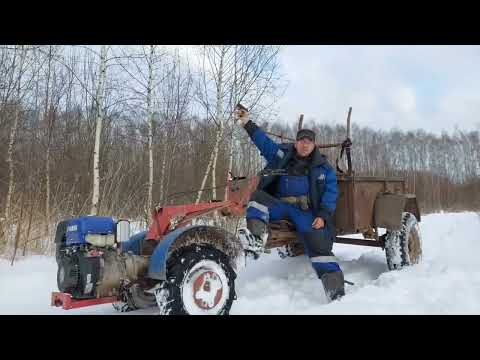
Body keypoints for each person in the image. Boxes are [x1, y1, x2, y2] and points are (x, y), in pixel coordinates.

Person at [234, 106, 345, 301]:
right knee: (258, 198)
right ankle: (256, 238)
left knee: (319, 246)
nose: (305, 144)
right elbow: (263, 142)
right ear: (296, 143)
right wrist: (246, 122)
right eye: (302, 140)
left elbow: (331, 193)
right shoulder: (281, 155)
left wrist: (322, 216)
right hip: (280, 206)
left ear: (314, 145)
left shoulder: (323, 168)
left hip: (305, 212)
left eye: (309, 142)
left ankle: (335, 291)